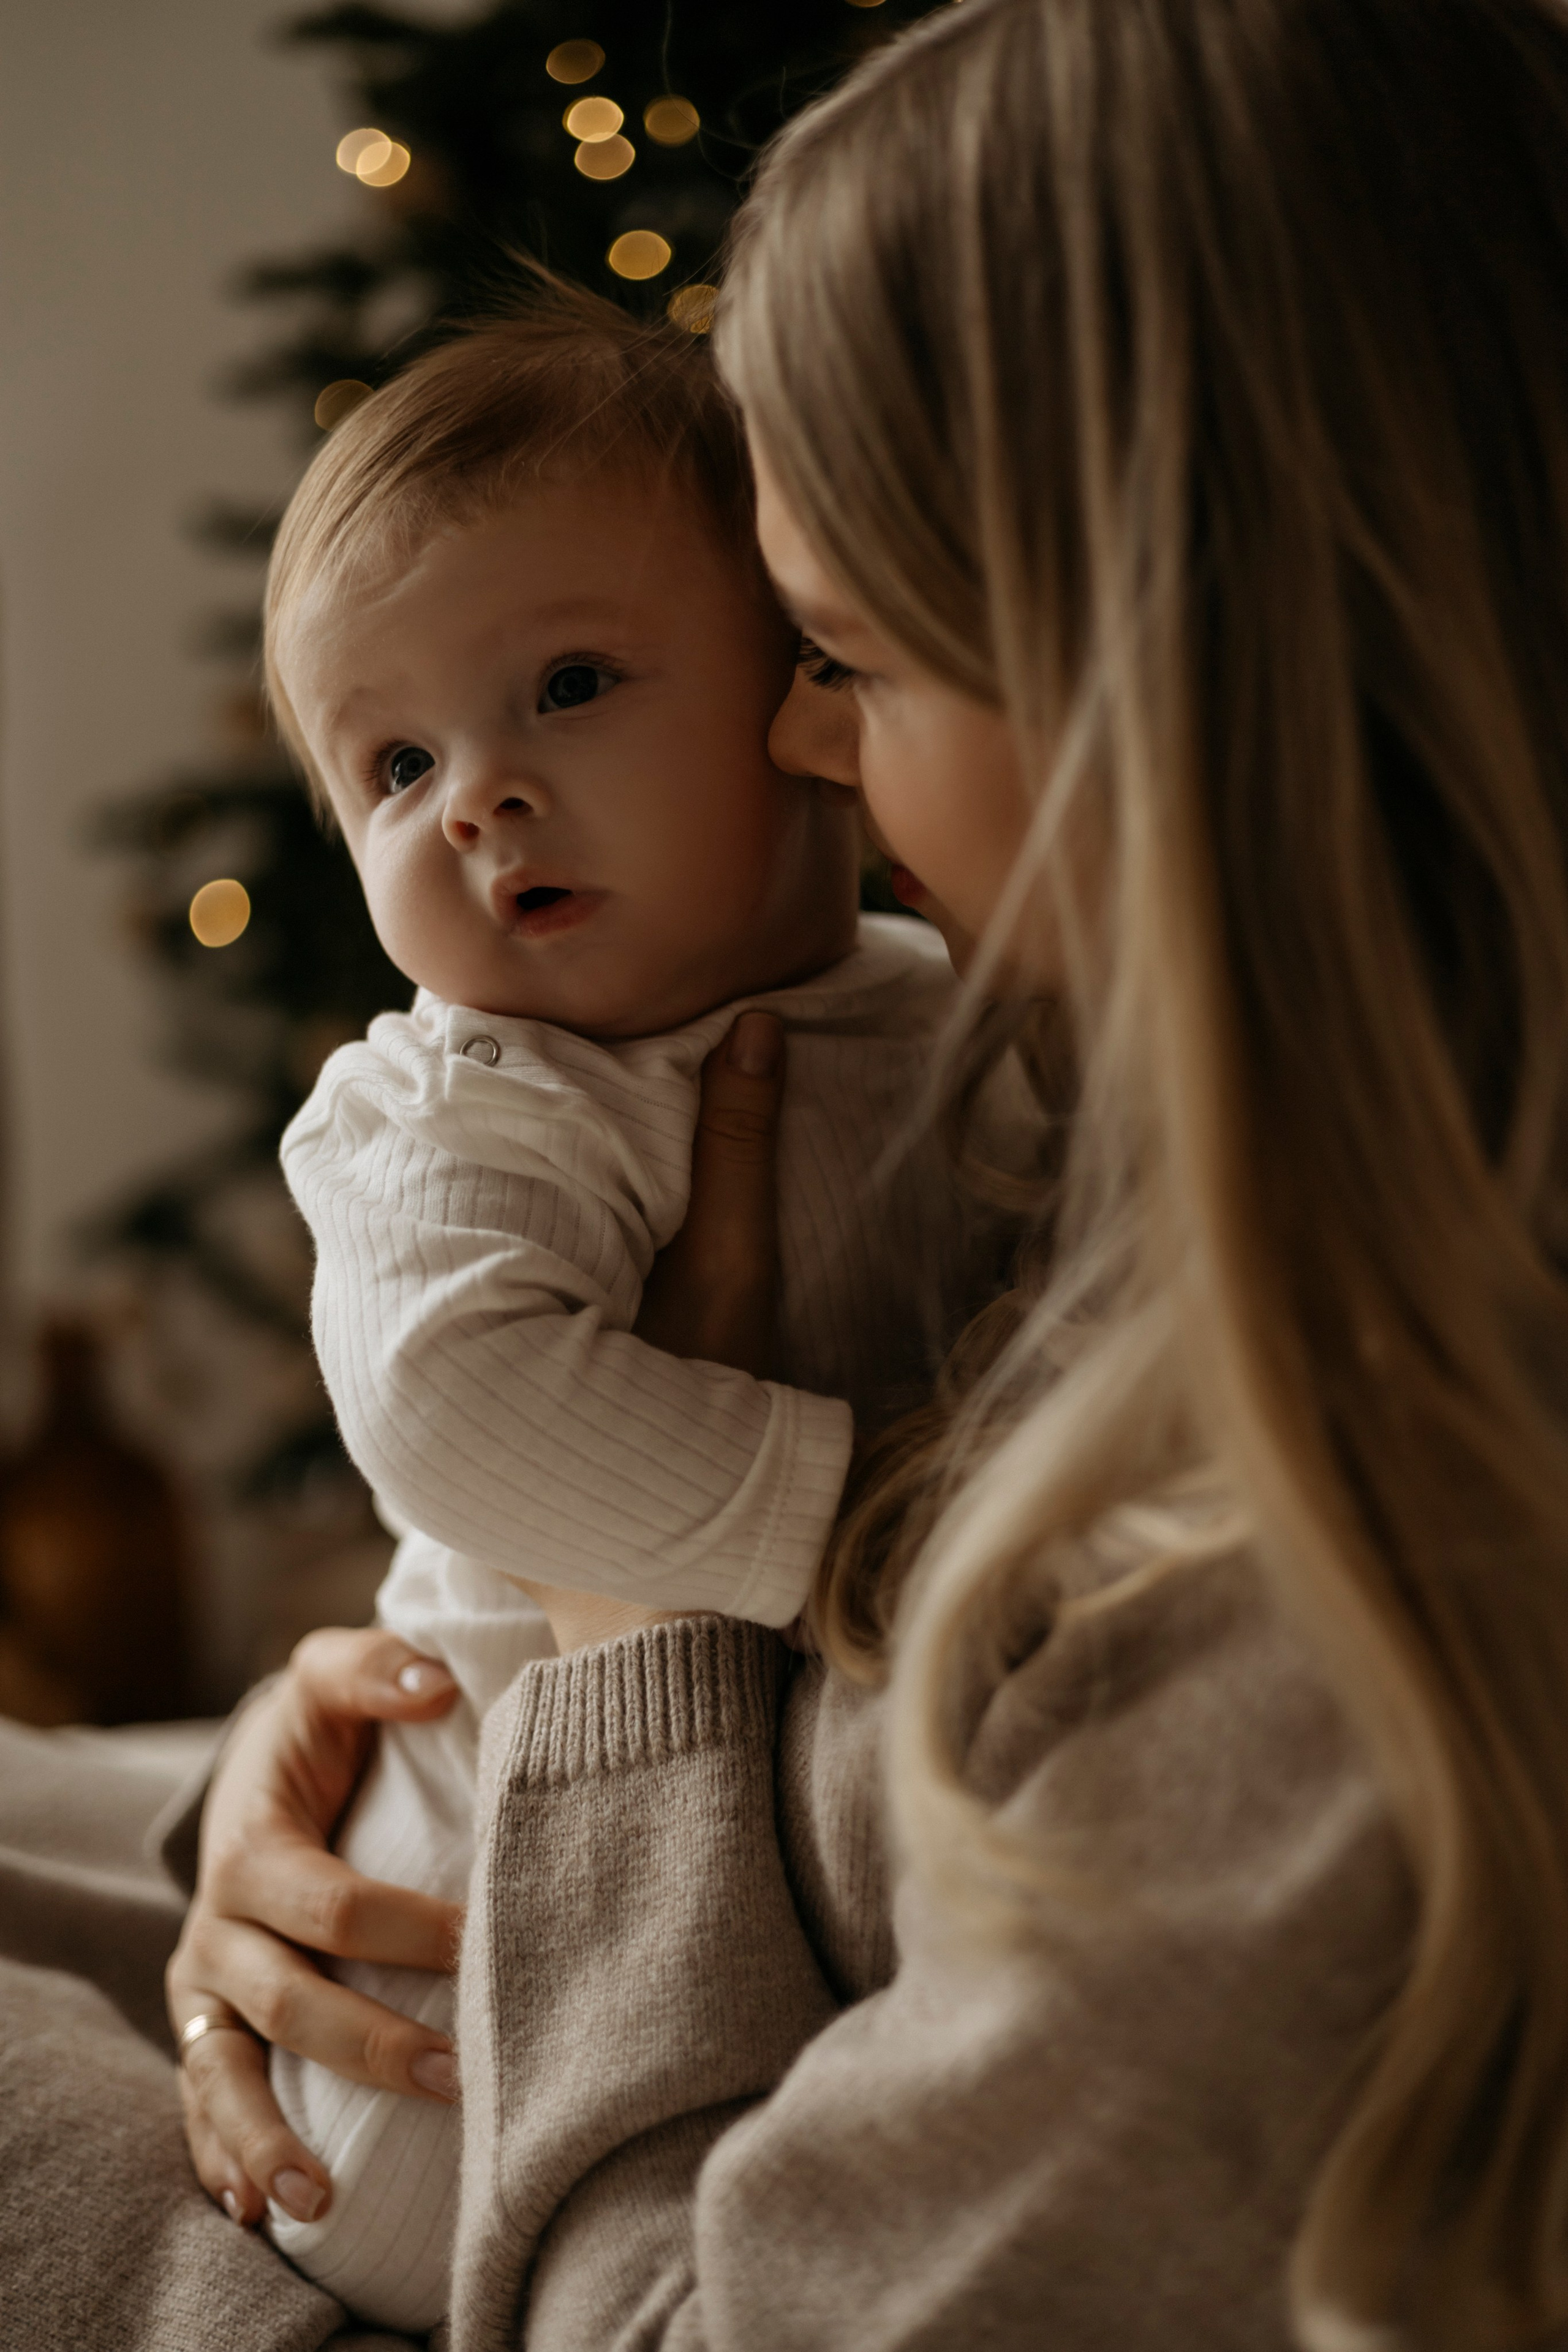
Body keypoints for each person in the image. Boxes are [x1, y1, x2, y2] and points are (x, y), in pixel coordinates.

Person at [8, 0, 1568, 2343]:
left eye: (843, 654)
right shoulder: (1214, 1202)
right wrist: (258, 1801)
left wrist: (638, 1675)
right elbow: (493, 1450)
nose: (811, 744)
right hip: (521, 1887)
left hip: (547, 2167)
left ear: (1167, 686)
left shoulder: (1314, 1638)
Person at [259, 293, 995, 2328]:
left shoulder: (946, 1008)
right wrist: (858, 1523)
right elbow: (447, 1394)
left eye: (567, 683)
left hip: (774, 1905)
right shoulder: (473, 1098)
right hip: (473, 1968)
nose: (476, 796)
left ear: (807, 692)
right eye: (394, 762)